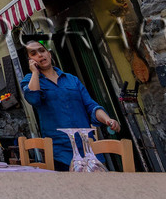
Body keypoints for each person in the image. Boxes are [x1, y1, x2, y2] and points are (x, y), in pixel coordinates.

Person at [21, 40, 120, 170]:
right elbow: (33, 99)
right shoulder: (30, 80)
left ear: (49, 54)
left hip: (88, 149)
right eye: (33, 53)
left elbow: (90, 106)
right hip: (60, 153)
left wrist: (107, 119)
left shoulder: (72, 79)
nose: (40, 55)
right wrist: (34, 72)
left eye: (42, 50)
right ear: (30, 60)